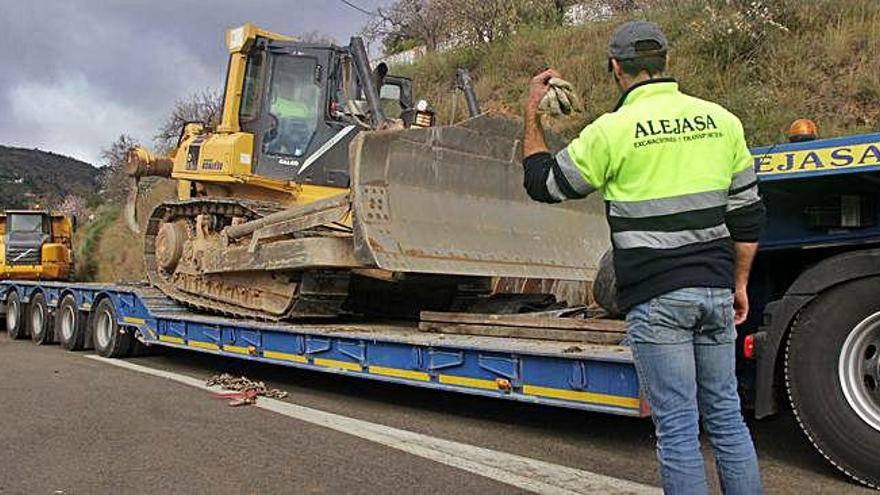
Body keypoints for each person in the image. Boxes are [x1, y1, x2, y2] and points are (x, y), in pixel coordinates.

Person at [521, 21, 765, 495]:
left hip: (656, 300)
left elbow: (543, 183)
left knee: (677, 431)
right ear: (666, 63)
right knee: (728, 421)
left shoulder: (611, 131)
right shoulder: (722, 121)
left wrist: (532, 111)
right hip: (714, 290)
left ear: (616, 68)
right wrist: (738, 284)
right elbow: (749, 218)